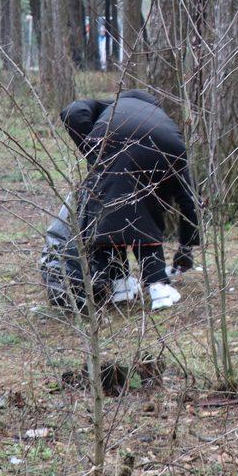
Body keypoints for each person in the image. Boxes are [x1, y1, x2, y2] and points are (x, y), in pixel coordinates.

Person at [59, 91, 200, 311]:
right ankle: (157, 288)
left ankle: (121, 286)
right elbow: (187, 198)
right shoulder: (160, 118)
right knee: (147, 213)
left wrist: (93, 152)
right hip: (169, 145)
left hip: (114, 142)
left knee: (106, 212)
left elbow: (72, 112)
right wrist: (186, 246)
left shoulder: (109, 107)